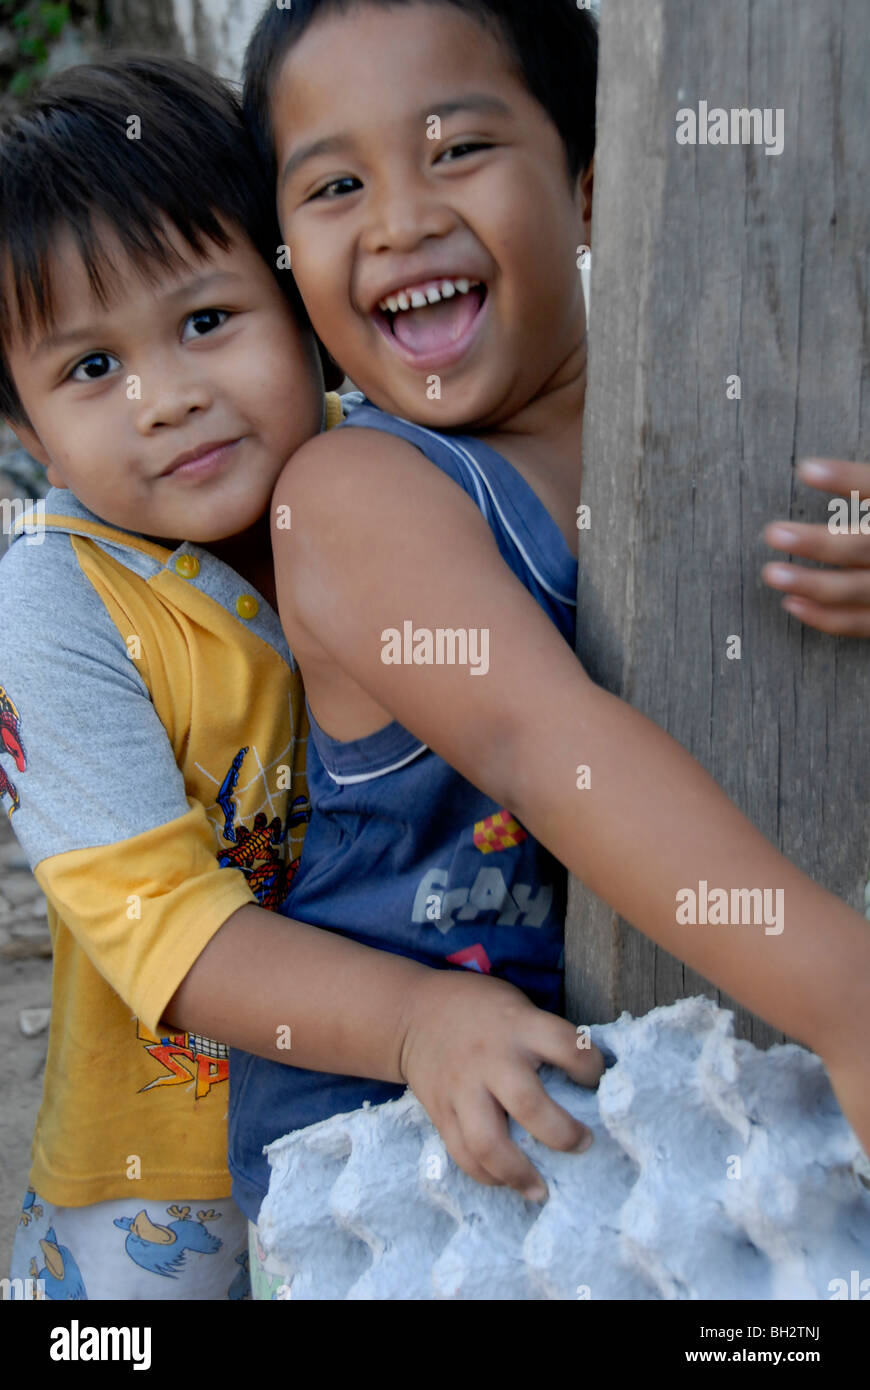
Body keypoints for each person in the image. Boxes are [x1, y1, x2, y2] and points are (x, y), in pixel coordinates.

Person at [219, 0, 870, 1291]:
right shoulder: (350, 494)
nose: (400, 219)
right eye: (337, 184)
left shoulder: (748, 421)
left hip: (695, 1061)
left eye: (455, 148)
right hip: (432, 1135)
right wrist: (844, 991)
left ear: (588, 188)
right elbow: (534, 734)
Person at [0, 53, 348, 1299]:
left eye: (206, 320)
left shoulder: (389, 484)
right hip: (157, 1175)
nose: (166, 399)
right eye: (91, 368)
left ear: (299, 299)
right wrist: (426, 1020)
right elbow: (171, 935)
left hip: (372, 1117)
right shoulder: (55, 601)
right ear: (31, 436)